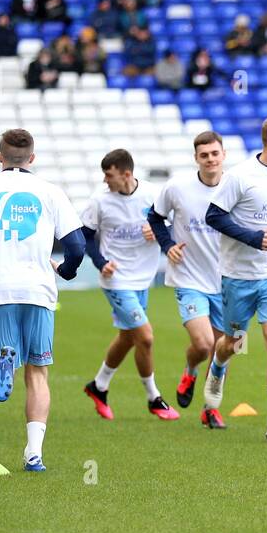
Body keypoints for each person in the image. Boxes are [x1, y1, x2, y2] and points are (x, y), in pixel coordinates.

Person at [0, 129, 86, 471]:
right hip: (38, 291)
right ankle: (33, 453)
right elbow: (78, 246)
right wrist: (66, 270)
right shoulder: (51, 192)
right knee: (38, 373)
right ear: (32, 158)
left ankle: (1, 365)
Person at [201, 116, 267, 442]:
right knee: (234, 342)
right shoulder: (240, 177)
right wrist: (252, 237)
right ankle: (218, 365)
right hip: (238, 277)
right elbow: (213, 216)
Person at [79, 150, 175, 421]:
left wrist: (158, 230)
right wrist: (100, 262)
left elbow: (171, 223)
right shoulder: (99, 201)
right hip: (116, 281)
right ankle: (153, 397)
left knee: (127, 337)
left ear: (126, 174)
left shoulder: (152, 195)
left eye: (109, 175)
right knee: (145, 337)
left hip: (142, 278)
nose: (105, 180)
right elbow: (84, 237)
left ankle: (98, 386)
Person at [147, 131, 228, 422]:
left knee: (224, 350)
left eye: (214, 153)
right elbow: (154, 217)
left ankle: (210, 408)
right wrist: (167, 246)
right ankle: (190, 372)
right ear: (196, 158)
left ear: (223, 155)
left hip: (228, 282)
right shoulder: (178, 187)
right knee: (205, 344)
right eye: (204, 155)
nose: (210, 159)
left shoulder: (235, 188)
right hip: (189, 280)